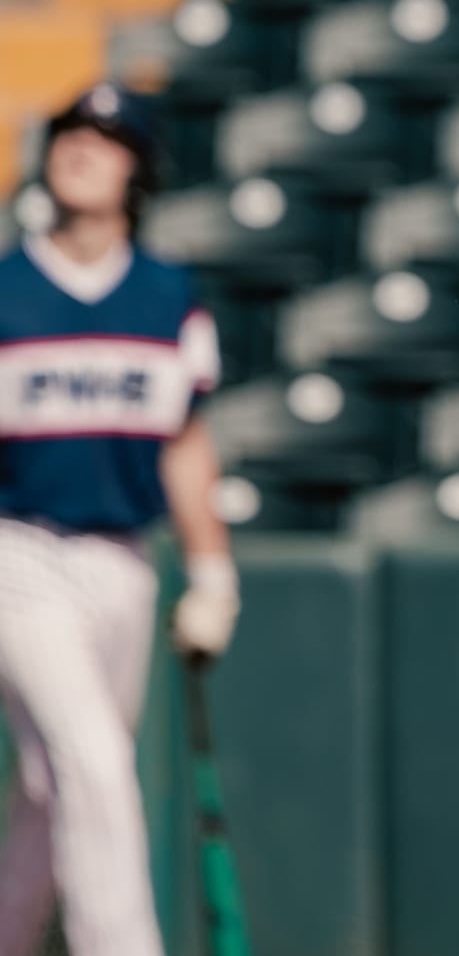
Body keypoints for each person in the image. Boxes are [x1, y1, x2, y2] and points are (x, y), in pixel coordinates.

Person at [0, 85, 242, 956]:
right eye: (72, 133)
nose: (83, 149)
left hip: (124, 564)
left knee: (55, 789)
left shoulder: (168, 294)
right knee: (97, 768)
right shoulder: (6, 287)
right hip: (20, 554)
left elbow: (185, 445)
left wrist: (212, 573)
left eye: (108, 139)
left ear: (138, 169)